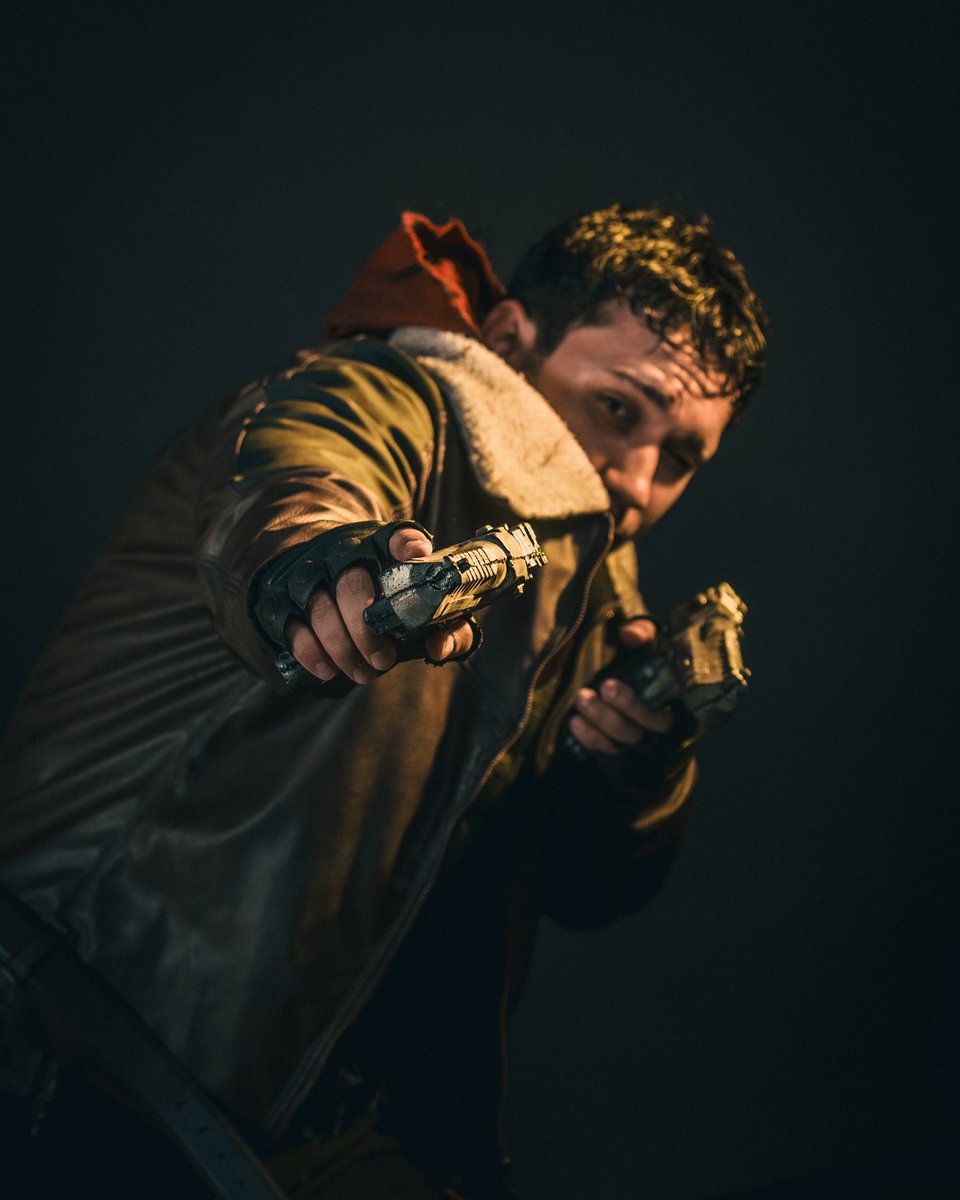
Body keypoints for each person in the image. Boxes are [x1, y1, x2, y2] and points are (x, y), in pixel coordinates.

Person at [0, 205, 767, 1199]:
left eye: (682, 459)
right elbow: (297, 484)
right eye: (619, 410)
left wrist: (632, 773)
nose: (637, 483)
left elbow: (588, 892)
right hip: (81, 1039)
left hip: (324, 1124)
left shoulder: (598, 600)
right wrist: (328, 569)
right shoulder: (383, 397)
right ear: (508, 340)